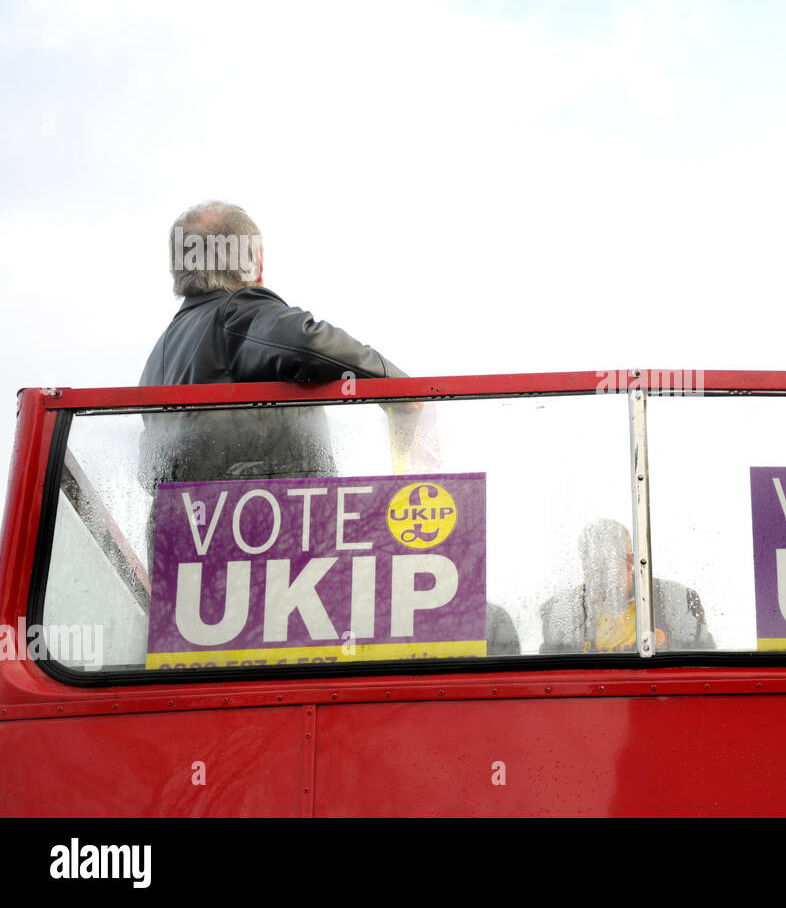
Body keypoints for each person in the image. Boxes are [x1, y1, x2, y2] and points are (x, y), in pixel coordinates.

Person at [138, 201, 518, 653]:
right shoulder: (237, 313)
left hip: (200, 584)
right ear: (254, 262)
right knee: (487, 628)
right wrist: (402, 390)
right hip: (273, 559)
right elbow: (309, 342)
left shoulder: (157, 360)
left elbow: (150, 473)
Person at [539, 519, 715, 653]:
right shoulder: (561, 615)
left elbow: (702, 669)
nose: (595, 579)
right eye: (588, 569)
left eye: (604, 568)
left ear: (630, 561)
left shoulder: (677, 603)